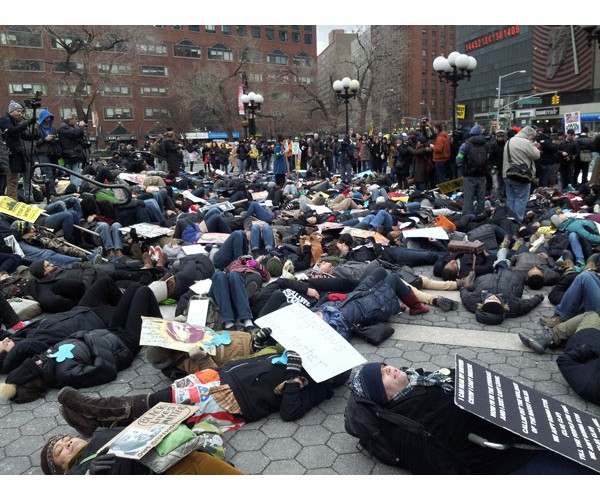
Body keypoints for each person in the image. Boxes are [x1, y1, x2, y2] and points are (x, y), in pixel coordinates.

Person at [345, 361, 595, 474]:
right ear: (384, 397)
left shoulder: (422, 380)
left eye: (382, 366)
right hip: (507, 457)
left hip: (528, 422)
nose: (388, 369)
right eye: (381, 377)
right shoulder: (408, 428)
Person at [40, 430, 243, 475]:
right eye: (61, 450)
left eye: (68, 440)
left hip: (182, 459)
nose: (68, 444)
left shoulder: (100, 436)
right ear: (60, 469)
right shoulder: (75, 474)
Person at [502, 126, 541, 222]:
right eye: (532, 137)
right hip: (520, 175)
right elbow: (536, 155)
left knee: (510, 198)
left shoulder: (509, 141)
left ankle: (509, 219)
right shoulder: (526, 142)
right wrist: (535, 146)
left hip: (507, 174)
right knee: (521, 198)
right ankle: (517, 221)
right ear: (529, 135)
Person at [0, 100, 36, 199]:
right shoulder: (5, 120)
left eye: (21, 111)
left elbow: (22, 135)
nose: (20, 113)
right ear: (11, 111)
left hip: (15, 155)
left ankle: (12, 198)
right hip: (8, 155)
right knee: (11, 180)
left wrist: (35, 136)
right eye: (18, 111)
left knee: (14, 180)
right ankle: (11, 200)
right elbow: (11, 131)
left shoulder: (15, 122)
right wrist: (27, 123)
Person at [455, 125, 488, 217]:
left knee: (468, 198)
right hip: (482, 175)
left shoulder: (465, 145)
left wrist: (460, 164)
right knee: (481, 198)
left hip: (469, 176)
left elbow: (459, 159)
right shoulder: (486, 144)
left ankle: (468, 217)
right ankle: (481, 216)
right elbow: (488, 158)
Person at [33, 108, 61, 197]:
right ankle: (52, 193)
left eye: (49, 117)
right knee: (48, 172)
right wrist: (45, 139)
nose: (48, 119)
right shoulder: (36, 127)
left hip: (52, 153)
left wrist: (55, 138)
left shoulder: (52, 127)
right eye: (46, 117)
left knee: (54, 172)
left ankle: (50, 191)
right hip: (42, 153)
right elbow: (34, 142)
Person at [57, 114, 88, 189]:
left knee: (75, 171)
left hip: (72, 152)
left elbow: (77, 135)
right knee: (75, 173)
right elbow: (74, 133)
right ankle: (76, 188)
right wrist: (80, 126)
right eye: (75, 120)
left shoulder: (67, 126)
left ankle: (75, 187)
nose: (76, 122)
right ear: (71, 119)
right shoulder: (63, 127)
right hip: (71, 153)